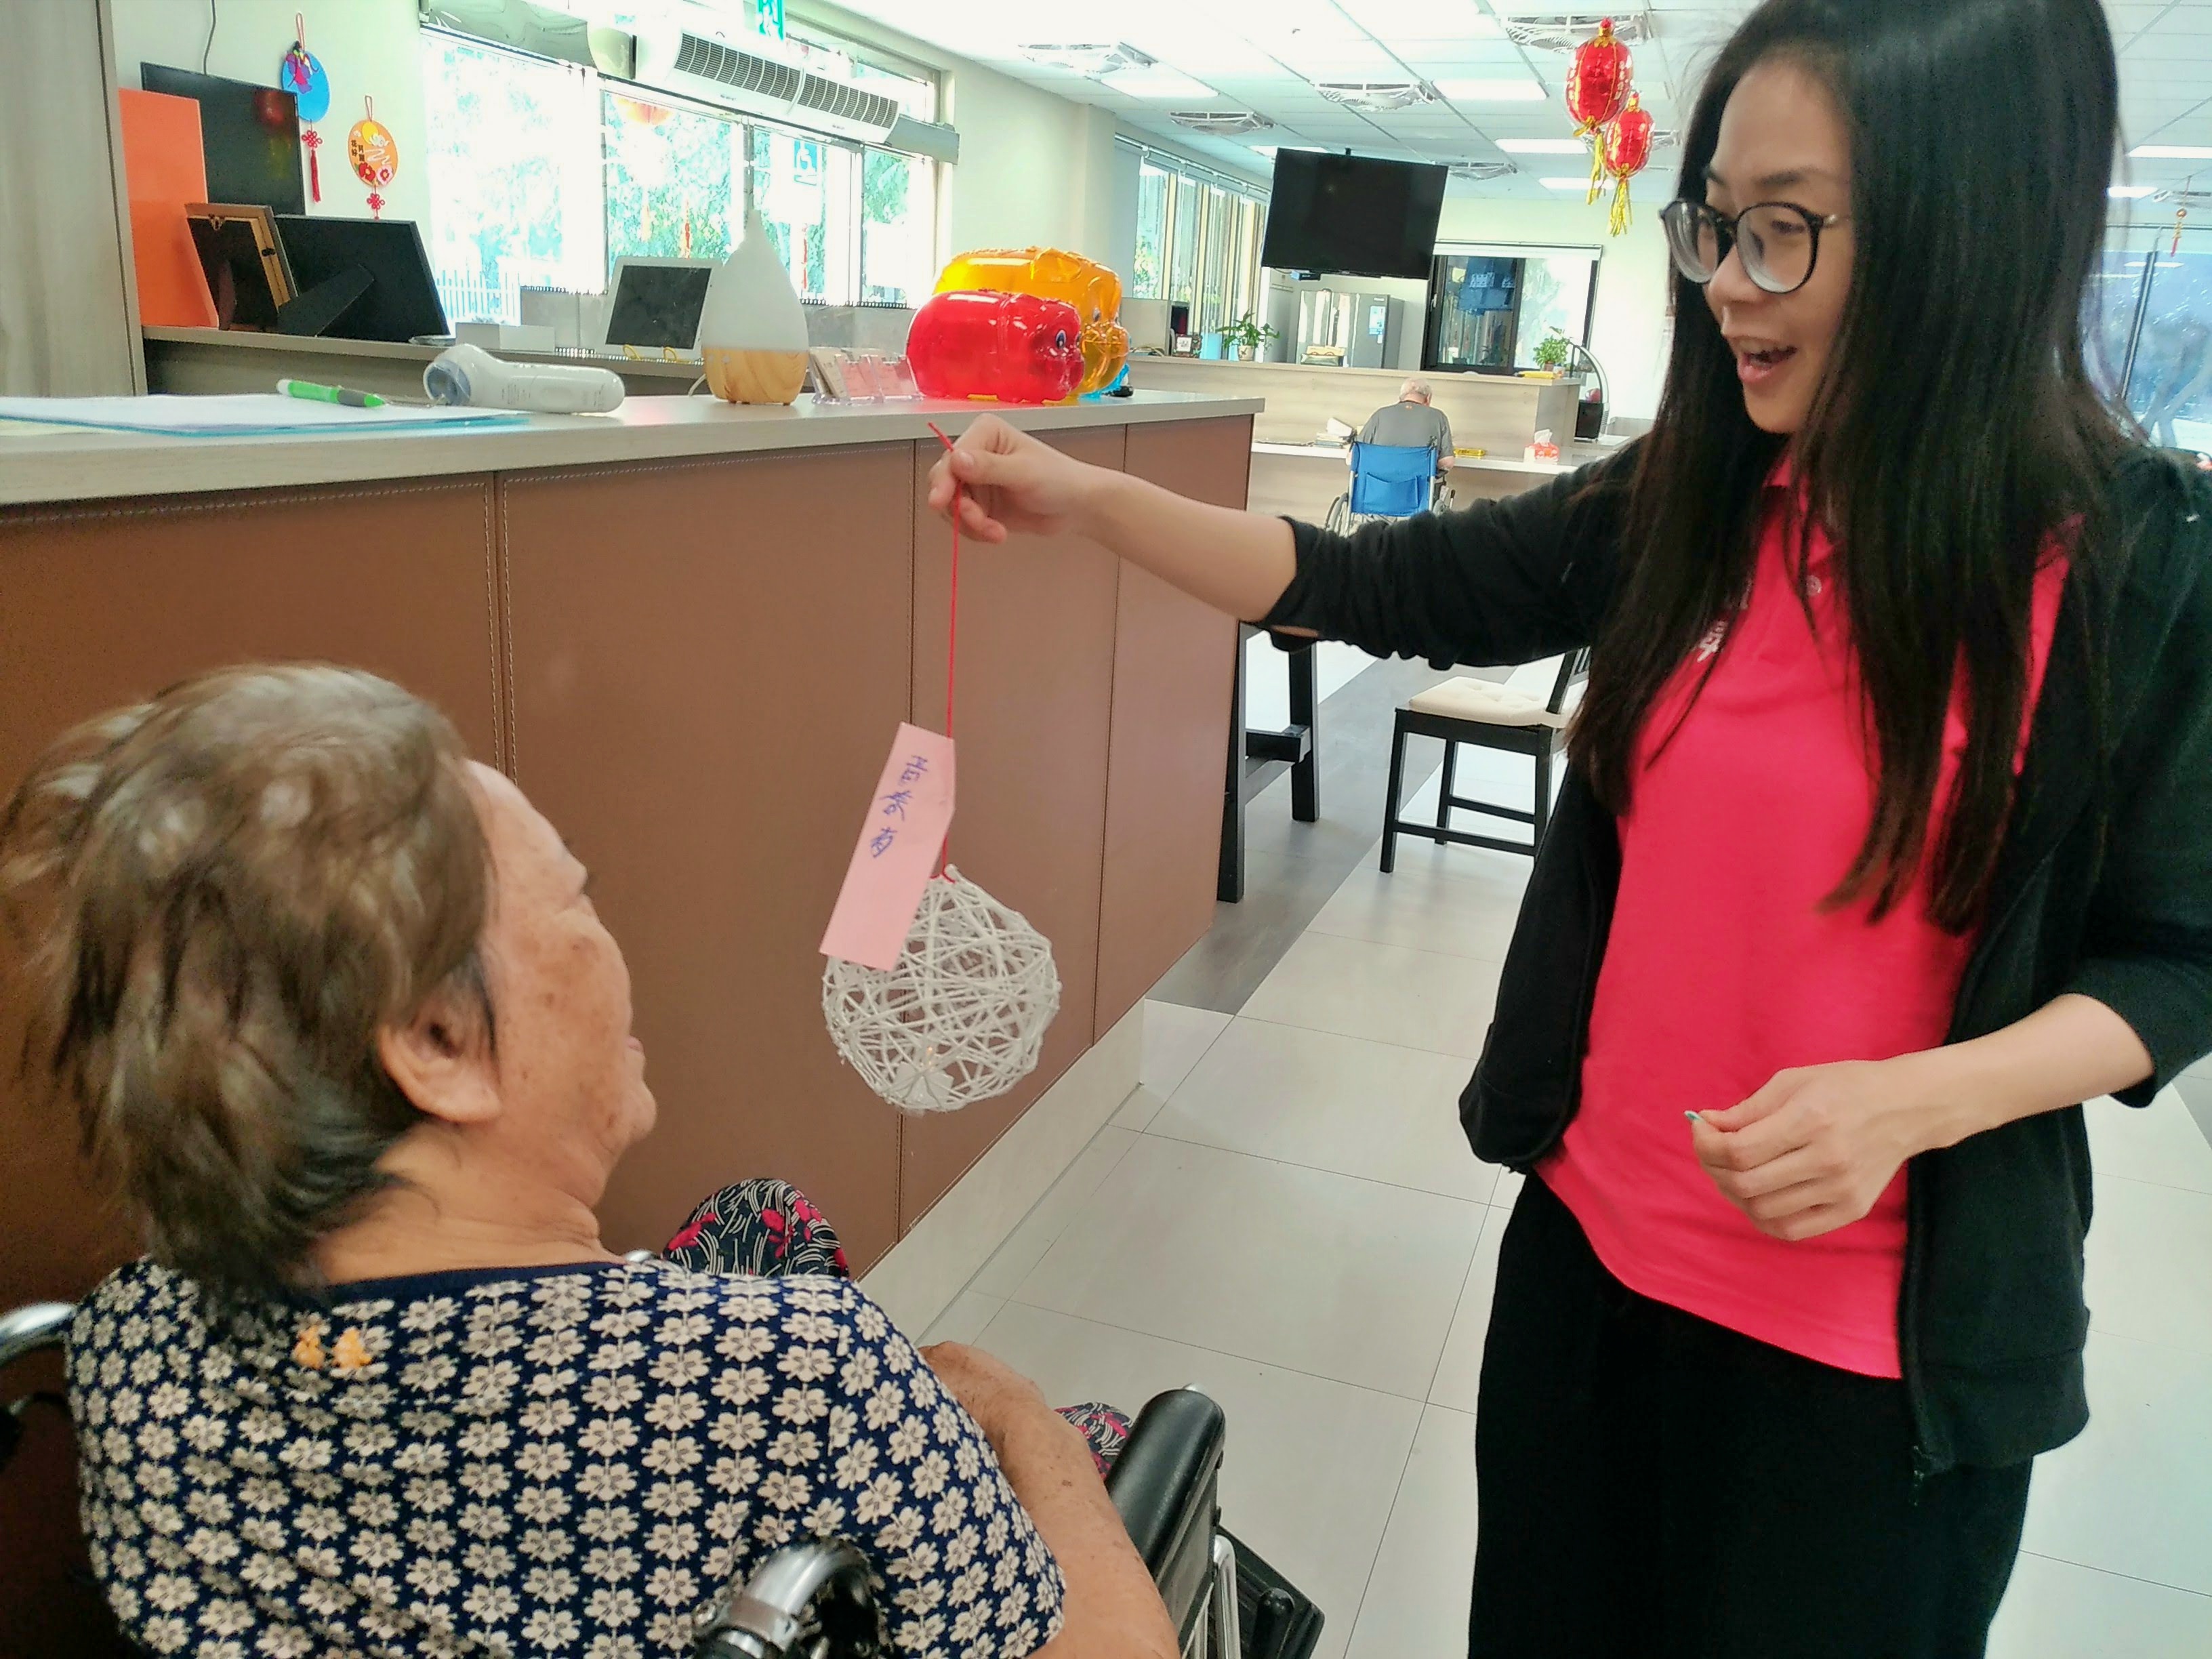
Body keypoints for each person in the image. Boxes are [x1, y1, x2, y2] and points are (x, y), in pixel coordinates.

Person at [922, 1, 2212, 1654]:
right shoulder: (1687, 499)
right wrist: (1091, 496)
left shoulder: (2134, 568)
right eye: (1713, 223)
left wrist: (1915, 1098)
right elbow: (1378, 583)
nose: (1726, 282)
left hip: (1872, 1386)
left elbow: (2177, 954)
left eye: (1784, 229)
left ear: (1973, 227)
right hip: (1587, 1282)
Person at [0, 665, 1177, 1659]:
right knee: (1081, 1431)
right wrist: (1024, 1420)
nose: (610, 945)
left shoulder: (122, 1351)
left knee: (763, 1216)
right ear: (438, 1042)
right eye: (576, 899)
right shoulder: (801, 1382)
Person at [1356, 376, 1456, 473]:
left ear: (1401, 397)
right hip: (1418, 483)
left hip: (1377, 483)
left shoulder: (1380, 414)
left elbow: (1354, 454)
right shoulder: (1438, 416)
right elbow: (1448, 462)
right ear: (1428, 398)